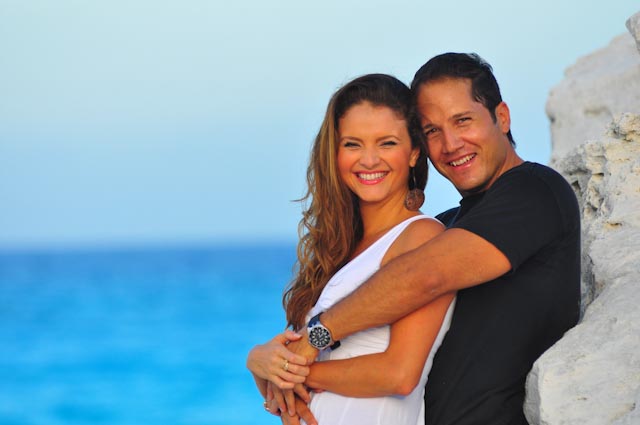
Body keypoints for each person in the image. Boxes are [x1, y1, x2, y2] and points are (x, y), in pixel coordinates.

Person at [266, 53, 581, 424]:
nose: (450, 144)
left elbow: (424, 277)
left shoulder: (535, 190)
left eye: (462, 121)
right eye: (432, 130)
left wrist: (311, 343)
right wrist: (264, 362)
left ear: (502, 116)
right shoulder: (450, 224)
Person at [246, 74, 456, 425]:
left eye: (387, 143)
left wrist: (292, 372)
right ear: (335, 152)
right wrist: (258, 360)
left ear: (414, 152)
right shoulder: (337, 250)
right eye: (353, 144)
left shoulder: (422, 238)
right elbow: (291, 387)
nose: (369, 160)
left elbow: (399, 374)